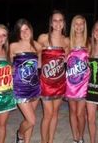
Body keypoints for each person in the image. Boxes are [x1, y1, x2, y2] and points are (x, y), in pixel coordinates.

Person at [37, 9, 70, 143]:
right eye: (55, 20)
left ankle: (50, 140)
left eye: (60, 20)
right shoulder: (43, 38)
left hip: (59, 81)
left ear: (64, 23)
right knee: (48, 114)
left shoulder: (67, 40)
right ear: (51, 22)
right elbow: (36, 58)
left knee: (55, 113)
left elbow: (66, 60)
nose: (58, 23)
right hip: (45, 82)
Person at [10, 19, 42, 143]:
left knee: (30, 119)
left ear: (31, 30)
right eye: (21, 30)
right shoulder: (13, 46)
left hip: (35, 87)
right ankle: (19, 134)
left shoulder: (37, 46)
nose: (24, 32)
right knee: (31, 119)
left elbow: (40, 64)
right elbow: (6, 64)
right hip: (19, 88)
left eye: (26, 29)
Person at [65, 15, 90, 143]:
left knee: (81, 113)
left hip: (84, 84)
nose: (79, 26)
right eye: (76, 23)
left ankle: (81, 137)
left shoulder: (89, 42)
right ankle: (75, 138)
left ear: (84, 26)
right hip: (70, 82)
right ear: (73, 25)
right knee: (72, 112)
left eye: (81, 24)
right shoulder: (67, 42)